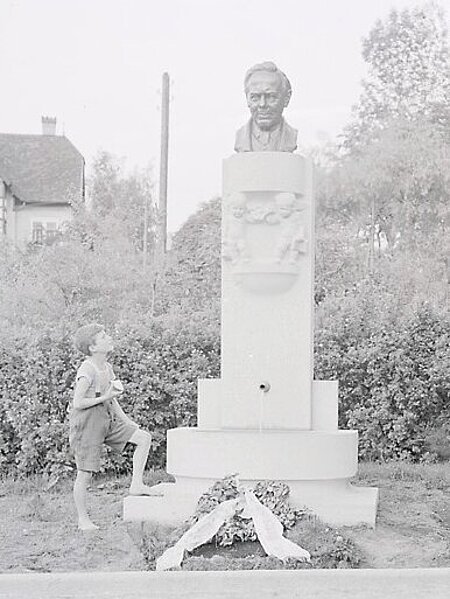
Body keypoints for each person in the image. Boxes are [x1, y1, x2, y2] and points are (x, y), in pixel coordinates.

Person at [69, 323, 159, 531]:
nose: (109, 337)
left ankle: (137, 485)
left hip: (105, 417)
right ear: (92, 347)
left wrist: (127, 421)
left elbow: (111, 400)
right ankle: (83, 520)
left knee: (143, 438)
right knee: (85, 473)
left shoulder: (107, 367)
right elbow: (78, 402)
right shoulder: (87, 369)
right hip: (87, 422)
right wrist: (107, 397)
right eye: (103, 336)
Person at [234, 61, 298, 153]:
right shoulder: (241, 138)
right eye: (255, 97)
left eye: (271, 96)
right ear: (247, 98)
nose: (262, 104)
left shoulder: (291, 137)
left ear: (286, 99)